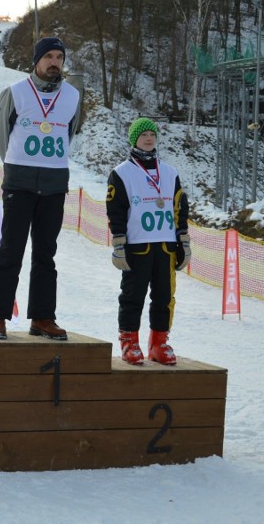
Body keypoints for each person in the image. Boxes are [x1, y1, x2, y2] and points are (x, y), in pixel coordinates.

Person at [0, 37, 83, 341]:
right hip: (20, 183)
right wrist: (18, 164)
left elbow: (72, 130)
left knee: (46, 253)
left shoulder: (73, 96)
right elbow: (0, 133)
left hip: (54, 184)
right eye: (49, 57)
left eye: (59, 57)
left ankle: (42, 318)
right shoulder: (15, 93)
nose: (55, 62)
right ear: (37, 60)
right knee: (10, 250)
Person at [105, 118, 191, 366]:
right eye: (143, 135)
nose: (149, 138)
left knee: (164, 296)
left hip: (165, 244)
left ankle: (159, 342)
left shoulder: (170, 172)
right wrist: (119, 243)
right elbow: (116, 210)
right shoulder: (122, 172)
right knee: (133, 295)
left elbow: (179, 208)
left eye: (152, 134)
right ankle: (129, 341)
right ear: (134, 139)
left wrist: (183, 241)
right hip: (137, 244)